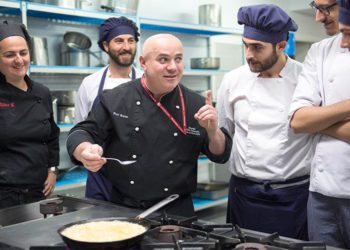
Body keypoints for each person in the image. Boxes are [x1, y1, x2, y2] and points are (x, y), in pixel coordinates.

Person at [67, 33, 232, 217]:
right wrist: (85, 150)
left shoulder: (196, 103)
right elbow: (82, 132)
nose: (173, 67)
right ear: (143, 62)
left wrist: (212, 130)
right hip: (124, 208)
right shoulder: (116, 98)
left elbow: (219, 154)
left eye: (178, 59)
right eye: (163, 59)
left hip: (177, 211)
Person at [216, 4, 315, 240]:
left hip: (293, 196)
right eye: (246, 45)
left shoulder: (307, 80)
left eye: (257, 47)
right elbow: (225, 133)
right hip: (244, 194)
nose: (249, 54)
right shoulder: (233, 80)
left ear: (281, 46)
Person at [289, 0, 350, 248]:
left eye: (327, 8)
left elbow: (310, 121)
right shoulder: (320, 50)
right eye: (316, 6)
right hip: (322, 195)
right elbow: (299, 120)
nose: (318, 17)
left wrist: (320, 119)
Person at [74, 16, 143, 201]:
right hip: (100, 175)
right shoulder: (90, 84)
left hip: (139, 174)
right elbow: (82, 129)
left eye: (131, 40)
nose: (126, 46)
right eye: (118, 40)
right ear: (105, 46)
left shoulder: (147, 82)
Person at [0, 21, 59, 209]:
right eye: (9, 55)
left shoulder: (42, 93)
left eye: (23, 53)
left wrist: (53, 170)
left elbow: (52, 136)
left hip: (38, 190)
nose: (18, 60)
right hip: (4, 194)